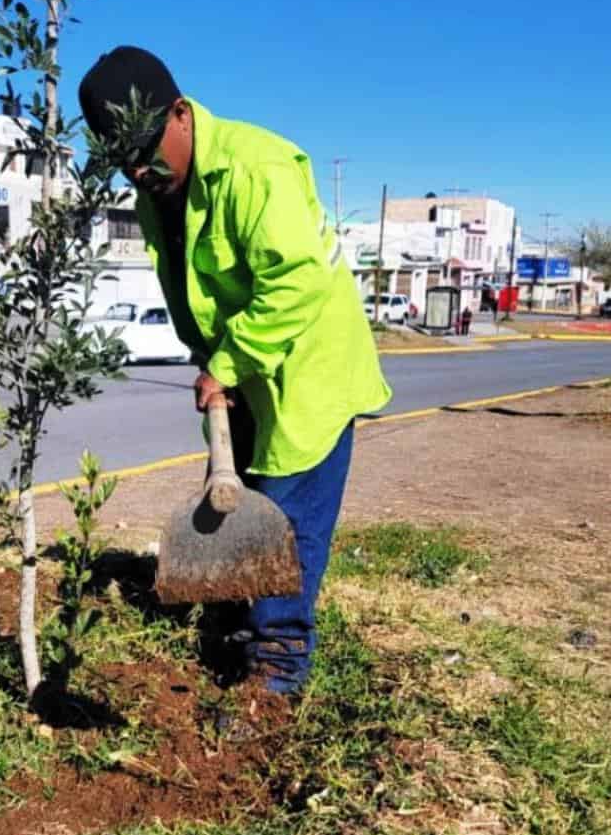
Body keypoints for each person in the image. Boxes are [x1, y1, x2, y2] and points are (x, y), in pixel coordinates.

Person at [78, 46, 392, 696]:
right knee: (234, 502)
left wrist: (226, 361)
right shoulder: (156, 193)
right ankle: (230, 632)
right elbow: (185, 283)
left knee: (286, 522)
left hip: (307, 367)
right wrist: (211, 358)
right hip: (241, 370)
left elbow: (298, 279)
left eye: (145, 147)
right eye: (121, 159)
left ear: (182, 114)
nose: (137, 169)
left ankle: (275, 678)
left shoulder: (256, 166)